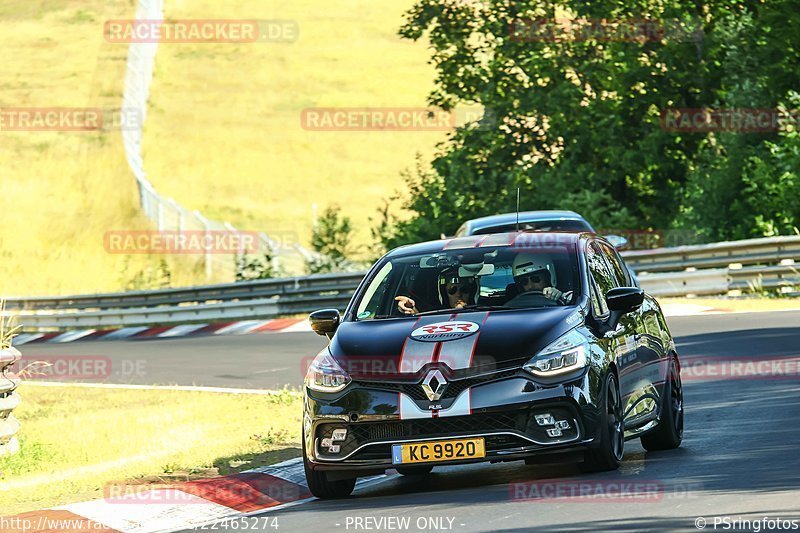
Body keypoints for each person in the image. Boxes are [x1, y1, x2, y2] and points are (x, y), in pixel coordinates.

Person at [395, 267, 478, 315]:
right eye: (452, 290)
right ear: (444, 293)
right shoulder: (433, 315)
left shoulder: (487, 312)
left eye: (464, 290)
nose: (458, 294)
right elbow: (418, 318)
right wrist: (409, 308)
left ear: (472, 292)